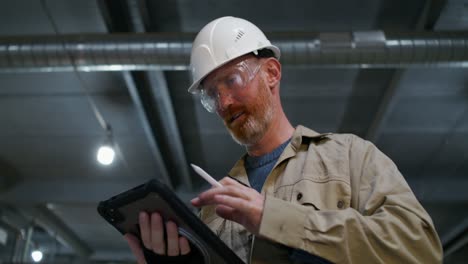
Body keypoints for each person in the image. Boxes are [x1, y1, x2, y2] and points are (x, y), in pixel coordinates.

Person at [124, 16, 443, 264]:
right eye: (211, 95)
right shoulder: (216, 208)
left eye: (232, 81)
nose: (223, 104)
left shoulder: (349, 157)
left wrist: (273, 218)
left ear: (272, 73)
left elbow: (420, 249)